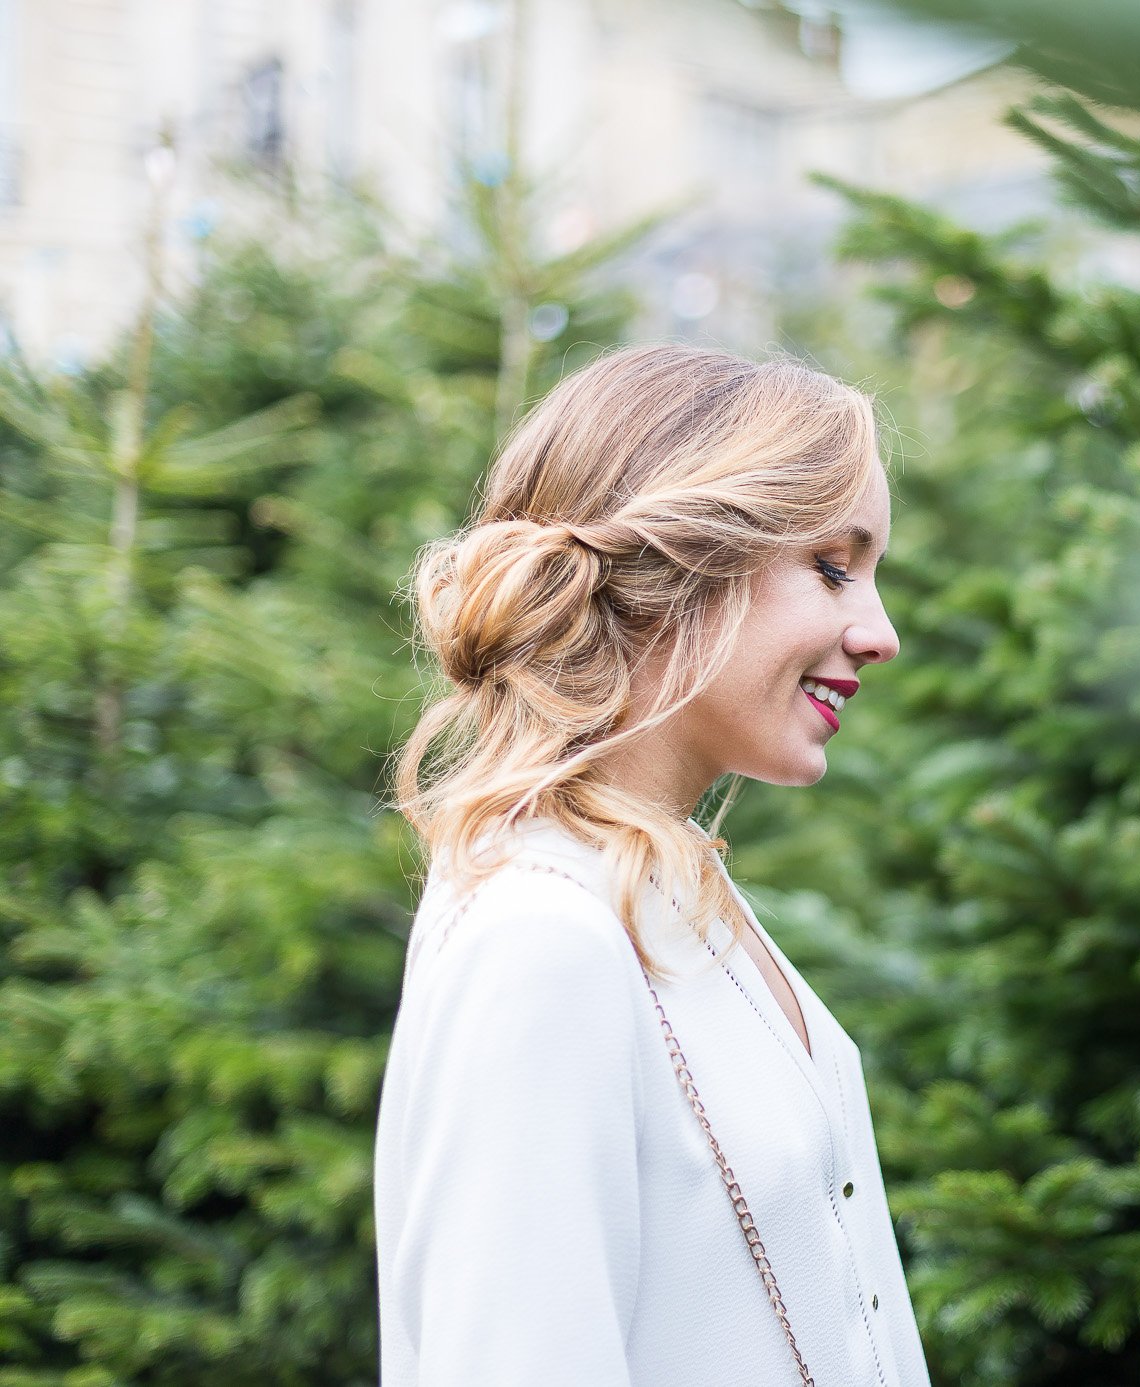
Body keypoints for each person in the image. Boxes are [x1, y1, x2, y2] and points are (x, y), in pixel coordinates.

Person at [373, 344, 928, 1386]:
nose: (879, 631)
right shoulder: (541, 938)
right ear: (681, 560)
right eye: (832, 565)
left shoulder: (671, 889)